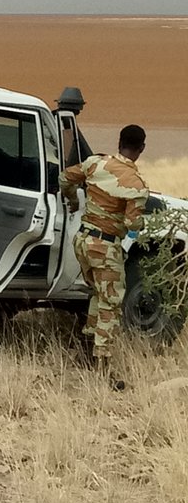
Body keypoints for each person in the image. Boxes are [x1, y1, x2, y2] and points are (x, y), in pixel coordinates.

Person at [59, 125, 150, 384]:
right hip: (106, 247)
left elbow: (65, 178)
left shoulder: (94, 164)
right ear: (141, 149)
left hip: (83, 242)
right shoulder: (136, 184)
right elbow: (133, 224)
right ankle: (102, 362)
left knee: (99, 294)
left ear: (119, 141)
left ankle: (88, 343)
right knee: (111, 302)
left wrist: (74, 202)